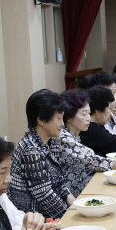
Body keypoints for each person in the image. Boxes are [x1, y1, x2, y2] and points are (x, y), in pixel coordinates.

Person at [50, 88, 116, 196]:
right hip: (79, 194)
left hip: (88, 186)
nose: (88, 118)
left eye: (88, 113)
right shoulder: (63, 136)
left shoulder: (75, 134)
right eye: (83, 114)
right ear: (69, 117)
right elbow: (91, 159)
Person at [8, 89, 73, 220]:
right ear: (41, 120)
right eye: (59, 119)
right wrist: (70, 217)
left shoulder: (51, 141)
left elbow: (60, 184)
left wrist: (76, 206)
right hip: (35, 218)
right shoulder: (30, 150)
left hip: (50, 213)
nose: (62, 124)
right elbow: (45, 196)